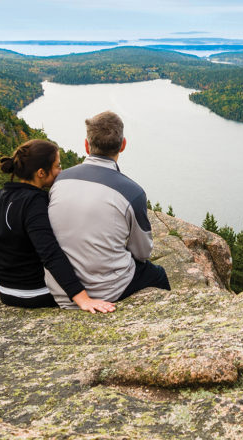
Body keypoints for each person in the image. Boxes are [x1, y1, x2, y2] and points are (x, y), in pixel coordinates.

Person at [0, 139, 116, 316]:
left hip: (7, 294)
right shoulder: (34, 202)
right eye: (57, 166)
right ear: (41, 173)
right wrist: (82, 298)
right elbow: (50, 253)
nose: (60, 171)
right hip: (38, 294)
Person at [46, 110, 170, 307]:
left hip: (61, 288)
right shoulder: (132, 192)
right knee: (158, 275)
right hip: (109, 290)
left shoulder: (60, 180)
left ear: (86, 145)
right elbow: (143, 253)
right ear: (123, 145)